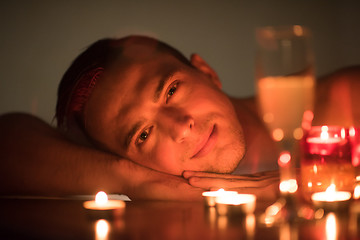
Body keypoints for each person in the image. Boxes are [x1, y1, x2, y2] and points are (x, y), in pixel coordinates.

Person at [0, 35, 359, 201]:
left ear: (206, 71)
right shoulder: (159, 189)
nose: (179, 127)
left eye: (171, 90)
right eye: (142, 136)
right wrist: (135, 182)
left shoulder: (346, 102)